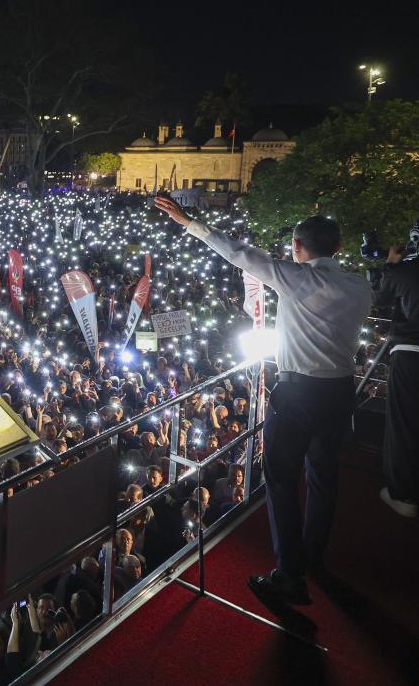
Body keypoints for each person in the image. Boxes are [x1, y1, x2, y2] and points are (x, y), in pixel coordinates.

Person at [156, 197, 371, 605]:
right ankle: (314, 557)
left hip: (298, 393)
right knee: (324, 478)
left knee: (281, 479)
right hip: (341, 391)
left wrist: (188, 221)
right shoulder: (359, 286)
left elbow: (239, 254)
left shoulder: (297, 279)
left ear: (296, 246)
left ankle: (289, 574)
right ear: (339, 248)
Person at [373, 226, 419, 518]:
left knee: (405, 423)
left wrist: (391, 264)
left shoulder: (405, 272)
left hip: (412, 353)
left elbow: (378, 298)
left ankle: (405, 496)